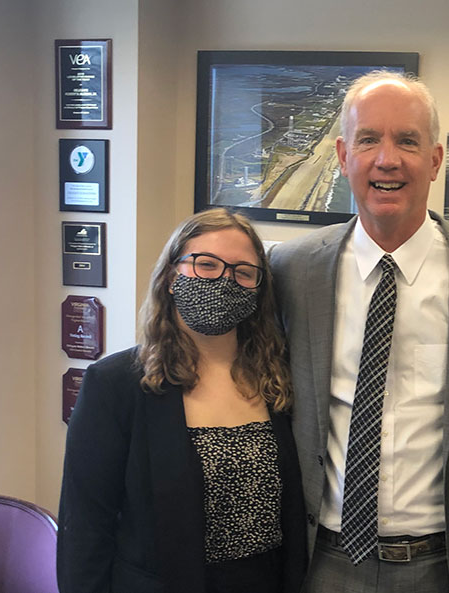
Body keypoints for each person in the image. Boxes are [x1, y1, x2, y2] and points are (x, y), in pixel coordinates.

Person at [269, 71, 449, 593]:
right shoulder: (292, 269)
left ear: (435, 160)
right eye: (368, 140)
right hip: (322, 562)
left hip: (443, 566)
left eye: (407, 141)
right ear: (344, 156)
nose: (386, 160)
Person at [58, 209, 306, 593]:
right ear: (173, 276)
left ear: (259, 288)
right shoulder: (114, 385)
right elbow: (86, 526)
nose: (225, 280)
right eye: (206, 265)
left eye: (243, 272)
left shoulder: (277, 376)